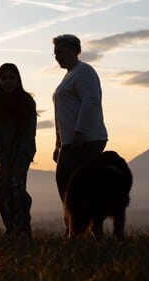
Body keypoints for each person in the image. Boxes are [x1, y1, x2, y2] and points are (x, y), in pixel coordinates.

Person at [52, 34, 108, 202]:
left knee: (72, 182)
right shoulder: (70, 75)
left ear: (73, 51)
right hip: (71, 141)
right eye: (55, 53)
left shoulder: (84, 72)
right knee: (69, 182)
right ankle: (75, 224)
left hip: (85, 140)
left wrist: (79, 132)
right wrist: (58, 143)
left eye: (60, 52)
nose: (56, 57)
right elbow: (62, 114)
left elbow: (90, 101)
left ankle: (78, 224)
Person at [0, 63, 37, 236]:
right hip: (4, 157)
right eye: (4, 78)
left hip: (22, 155)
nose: (8, 81)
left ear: (18, 79)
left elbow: (29, 132)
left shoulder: (26, 101)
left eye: (12, 77)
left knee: (18, 191)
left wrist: (21, 156)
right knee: (5, 193)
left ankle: (22, 230)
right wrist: (2, 155)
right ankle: (11, 229)